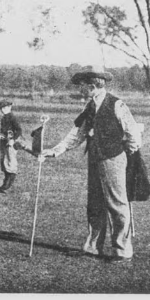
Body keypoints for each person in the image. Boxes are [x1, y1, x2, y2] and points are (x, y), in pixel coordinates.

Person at [41, 66, 142, 263]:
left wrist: (127, 152)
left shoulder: (116, 104)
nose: (80, 90)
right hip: (95, 159)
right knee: (95, 203)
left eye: (82, 86)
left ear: (93, 86)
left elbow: (132, 134)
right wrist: (55, 150)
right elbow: (77, 134)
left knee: (117, 203)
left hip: (113, 158)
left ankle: (122, 250)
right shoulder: (90, 106)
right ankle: (93, 247)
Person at [0, 100, 23, 193]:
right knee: (4, 162)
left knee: (11, 162)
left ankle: (8, 185)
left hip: (11, 143)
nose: (3, 110)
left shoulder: (12, 118)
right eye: (1, 108)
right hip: (4, 142)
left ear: (10, 107)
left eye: (5, 108)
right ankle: (5, 183)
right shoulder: (4, 117)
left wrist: (13, 140)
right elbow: (4, 131)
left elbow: (19, 130)